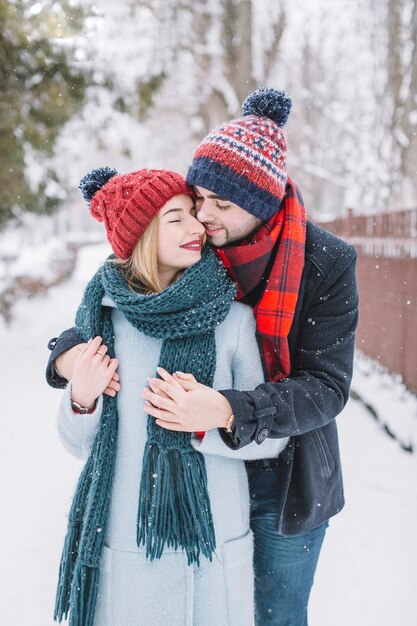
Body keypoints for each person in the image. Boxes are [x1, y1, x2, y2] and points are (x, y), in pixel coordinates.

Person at [47, 88, 359, 626]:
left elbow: (326, 387)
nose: (203, 216)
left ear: (261, 204)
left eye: (221, 204)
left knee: (276, 616)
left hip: (289, 476)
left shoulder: (325, 263)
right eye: (197, 199)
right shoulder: (197, 242)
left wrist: (227, 411)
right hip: (207, 472)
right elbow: (129, 292)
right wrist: (66, 359)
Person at [52, 166, 286, 626]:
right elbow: (79, 445)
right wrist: (82, 396)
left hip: (213, 545)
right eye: (175, 218)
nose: (197, 227)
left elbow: (272, 440)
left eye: (192, 214)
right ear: (140, 235)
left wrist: (213, 417)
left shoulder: (234, 320)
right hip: (127, 546)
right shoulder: (102, 323)